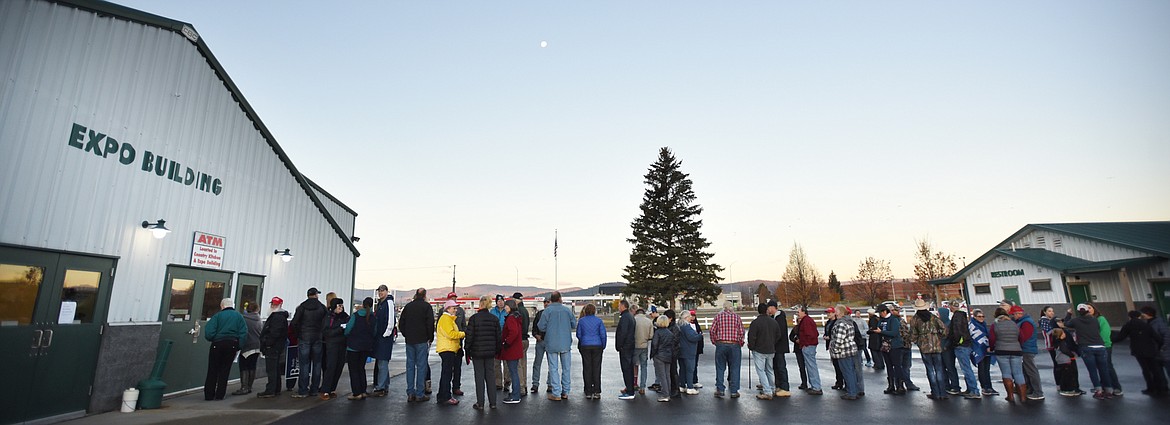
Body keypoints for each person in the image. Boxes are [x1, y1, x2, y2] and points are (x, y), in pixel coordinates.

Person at [1060, 303, 1116, 399]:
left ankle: (1098, 391)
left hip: (1086, 347)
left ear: (1078, 311)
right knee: (1104, 369)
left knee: (1092, 370)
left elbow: (1066, 323)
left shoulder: (1076, 321)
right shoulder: (1095, 320)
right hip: (1100, 346)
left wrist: (1069, 314)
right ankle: (1109, 390)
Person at [203, 298, 246, 401]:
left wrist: (213, 338)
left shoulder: (217, 316)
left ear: (222, 306)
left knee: (212, 370)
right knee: (225, 370)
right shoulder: (239, 317)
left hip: (217, 344)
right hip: (232, 344)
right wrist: (239, 346)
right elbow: (243, 333)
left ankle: (209, 395)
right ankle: (220, 394)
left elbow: (209, 332)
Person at [537, 291, 577, 401]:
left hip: (551, 342)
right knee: (566, 368)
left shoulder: (547, 311)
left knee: (553, 368)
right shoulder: (567, 310)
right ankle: (566, 391)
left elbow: (541, 326)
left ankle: (556, 392)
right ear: (560, 299)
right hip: (565, 342)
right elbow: (574, 324)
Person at [1115, 309, 1164, 395]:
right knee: (1155, 369)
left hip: (1138, 350)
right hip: (1150, 349)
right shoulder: (1146, 325)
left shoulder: (1128, 325)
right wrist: (1159, 347)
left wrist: (1109, 341)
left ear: (1129, 316)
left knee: (1146, 370)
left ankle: (1150, 388)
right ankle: (1160, 387)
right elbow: (1157, 338)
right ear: (1139, 316)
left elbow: (1120, 337)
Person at [466, 296, 502, 410]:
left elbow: (469, 336)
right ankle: (493, 402)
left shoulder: (474, 319)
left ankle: (480, 403)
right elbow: (498, 338)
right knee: (490, 377)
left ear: (480, 304)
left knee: (479, 377)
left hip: (477, 352)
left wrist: (467, 350)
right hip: (490, 352)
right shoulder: (494, 319)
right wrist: (497, 350)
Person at [289, 288, 327, 398]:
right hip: (318, 337)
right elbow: (326, 322)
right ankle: (314, 389)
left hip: (304, 337)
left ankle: (303, 390)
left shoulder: (302, 307)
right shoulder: (322, 307)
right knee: (317, 364)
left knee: (304, 365)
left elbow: (294, 323)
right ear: (316, 295)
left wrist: (299, 334)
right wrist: (321, 332)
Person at [400, 288, 436, 402]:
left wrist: (406, 334)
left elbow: (401, 323)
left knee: (410, 366)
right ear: (425, 296)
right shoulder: (427, 307)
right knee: (421, 366)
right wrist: (430, 337)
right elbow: (430, 324)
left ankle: (410, 392)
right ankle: (420, 393)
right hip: (422, 340)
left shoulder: (408, 306)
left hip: (410, 340)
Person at [910, 309, 949, 400]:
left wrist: (918, 341)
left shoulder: (915, 319)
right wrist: (938, 338)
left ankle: (935, 392)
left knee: (930, 370)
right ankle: (942, 393)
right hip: (936, 346)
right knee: (939, 370)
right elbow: (944, 330)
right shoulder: (933, 318)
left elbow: (913, 334)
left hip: (924, 347)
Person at [709, 301, 745, 398]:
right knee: (735, 368)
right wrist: (740, 342)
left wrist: (714, 341)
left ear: (724, 307)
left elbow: (712, 330)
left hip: (721, 343)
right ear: (731, 307)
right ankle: (734, 390)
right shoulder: (737, 317)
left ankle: (720, 389)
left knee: (720, 367)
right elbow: (741, 332)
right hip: (734, 344)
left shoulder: (718, 317)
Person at [989, 307, 1026, 402]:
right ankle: (1023, 397)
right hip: (1016, 350)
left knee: (1006, 373)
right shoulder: (1014, 324)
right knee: (1018, 373)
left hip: (1001, 351)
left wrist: (992, 348)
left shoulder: (995, 325)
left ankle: (1010, 396)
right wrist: (1018, 345)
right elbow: (1021, 337)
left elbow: (992, 339)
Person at [344, 297, 376, 400]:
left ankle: (356, 392)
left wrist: (346, 334)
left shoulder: (356, 315)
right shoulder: (373, 317)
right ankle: (363, 390)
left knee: (353, 370)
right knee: (361, 368)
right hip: (366, 346)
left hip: (353, 346)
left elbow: (348, 329)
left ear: (363, 304)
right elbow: (375, 332)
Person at [257, 297, 289, 398]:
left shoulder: (277, 317)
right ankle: (276, 389)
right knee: (275, 368)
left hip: (273, 346)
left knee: (271, 369)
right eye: (272, 304)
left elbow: (274, 333)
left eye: (274, 304)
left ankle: (271, 389)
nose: (272, 306)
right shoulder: (279, 316)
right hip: (276, 346)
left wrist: (268, 343)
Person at [748, 302, 782, 400]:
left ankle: (767, 391)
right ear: (766, 310)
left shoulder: (755, 323)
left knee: (761, 371)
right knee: (769, 370)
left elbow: (752, 336)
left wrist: (752, 346)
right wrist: (772, 342)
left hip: (759, 350)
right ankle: (772, 388)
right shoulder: (773, 322)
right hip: (770, 349)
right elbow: (778, 335)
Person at [435, 299, 465, 406]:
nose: (456, 310)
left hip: (449, 348)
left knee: (446, 373)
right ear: (448, 308)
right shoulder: (446, 319)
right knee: (447, 374)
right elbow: (451, 334)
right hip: (447, 349)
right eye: (454, 308)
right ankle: (445, 396)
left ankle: (442, 395)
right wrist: (463, 334)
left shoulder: (448, 319)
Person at [870, 303, 906, 395]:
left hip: (895, 346)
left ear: (885, 311)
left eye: (880, 312)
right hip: (885, 346)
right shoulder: (881, 321)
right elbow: (878, 329)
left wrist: (881, 331)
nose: (879, 314)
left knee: (897, 366)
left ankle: (900, 386)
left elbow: (894, 332)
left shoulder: (893, 320)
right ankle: (891, 385)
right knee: (889, 366)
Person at [1011, 305, 1044, 400]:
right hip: (1026, 349)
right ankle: (1030, 389)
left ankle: (1038, 392)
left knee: (1031, 371)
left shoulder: (1026, 323)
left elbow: (1024, 336)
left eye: (1013, 315)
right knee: (1026, 370)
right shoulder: (1024, 321)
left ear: (1018, 313)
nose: (1013, 317)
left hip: (1027, 349)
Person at [319, 298, 349, 400]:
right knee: (331, 366)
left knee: (339, 367)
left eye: (341, 305)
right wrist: (340, 329)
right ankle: (325, 389)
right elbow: (326, 332)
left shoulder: (345, 316)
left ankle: (332, 389)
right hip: (332, 344)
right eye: (338, 306)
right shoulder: (329, 317)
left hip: (342, 344)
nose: (340, 307)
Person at [829, 304, 861, 400]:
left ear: (840, 312)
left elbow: (839, 339)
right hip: (850, 349)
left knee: (847, 372)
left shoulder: (841, 323)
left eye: (836, 311)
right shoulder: (849, 322)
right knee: (851, 371)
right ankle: (854, 390)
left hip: (843, 351)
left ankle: (851, 392)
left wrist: (834, 349)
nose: (835, 313)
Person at [576, 303, 607, 399]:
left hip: (585, 345)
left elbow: (578, 334)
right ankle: (597, 390)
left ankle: (588, 390)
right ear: (594, 311)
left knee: (587, 368)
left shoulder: (581, 321)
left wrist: (583, 340)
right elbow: (603, 334)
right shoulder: (599, 321)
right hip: (597, 345)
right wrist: (603, 345)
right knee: (597, 368)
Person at [949, 308, 981, 398]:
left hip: (961, 347)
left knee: (966, 369)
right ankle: (970, 389)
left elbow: (956, 333)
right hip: (967, 345)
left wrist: (956, 342)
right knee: (967, 368)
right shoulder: (965, 320)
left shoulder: (956, 319)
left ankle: (974, 390)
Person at [371, 285, 397, 397]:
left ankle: (380, 387)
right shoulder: (380, 304)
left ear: (387, 291)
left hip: (384, 337)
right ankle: (384, 385)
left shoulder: (388, 303)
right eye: (379, 291)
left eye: (382, 291)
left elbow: (391, 320)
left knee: (382, 362)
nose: (380, 293)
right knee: (382, 362)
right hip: (380, 337)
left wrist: (386, 333)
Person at [232, 303, 262, 396]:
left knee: (244, 366)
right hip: (257, 345)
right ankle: (249, 386)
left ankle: (244, 387)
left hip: (247, 346)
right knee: (252, 366)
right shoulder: (259, 319)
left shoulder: (243, 319)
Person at [1093, 305, 1123, 396]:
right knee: (1100, 367)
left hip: (1104, 346)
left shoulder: (1101, 319)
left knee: (1107, 366)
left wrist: (1102, 344)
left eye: (1090, 308)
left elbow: (1105, 332)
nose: (1088, 310)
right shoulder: (1087, 320)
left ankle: (1116, 387)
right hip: (1093, 346)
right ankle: (1105, 386)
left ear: (1094, 309)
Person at [1141, 306, 1170, 396]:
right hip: (1155, 352)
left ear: (1148, 314)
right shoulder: (1150, 323)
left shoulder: (1158, 323)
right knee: (1158, 371)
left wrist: (1163, 348)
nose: (1142, 315)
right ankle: (1163, 387)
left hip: (1163, 352)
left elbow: (1167, 336)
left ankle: (1163, 387)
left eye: (1143, 313)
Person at [499, 299, 524, 404]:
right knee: (514, 371)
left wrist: (506, 342)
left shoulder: (510, 318)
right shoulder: (516, 317)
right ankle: (516, 393)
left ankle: (515, 395)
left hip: (511, 349)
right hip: (516, 348)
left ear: (510, 307)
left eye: (506, 306)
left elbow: (513, 332)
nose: (505, 307)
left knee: (513, 372)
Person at [970, 308, 999, 396]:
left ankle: (989, 386)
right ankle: (984, 387)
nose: (981, 318)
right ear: (974, 317)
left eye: (983, 316)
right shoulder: (972, 325)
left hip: (987, 348)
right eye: (979, 316)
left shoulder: (984, 324)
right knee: (982, 369)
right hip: (979, 349)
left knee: (987, 369)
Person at [796, 305, 823, 395]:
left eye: (798, 312)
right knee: (810, 366)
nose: (797, 314)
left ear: (804, 312)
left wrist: (804, 343)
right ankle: (814, 385)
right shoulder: (807, 320)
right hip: (809, 345)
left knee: (811, 366)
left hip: (808, 346)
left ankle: (816, 387)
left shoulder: (806, 321)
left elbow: (810, 334)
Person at [446, 292, 468, 397]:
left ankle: (456, 387)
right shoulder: (443, 312)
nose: (454, 299)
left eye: (455, 298)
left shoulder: (460, 311)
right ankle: (446, 388)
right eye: (452, 298)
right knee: (448, 367)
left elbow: (463, 325)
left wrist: (463, 335)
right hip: (448, 342)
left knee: (457, 366)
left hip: (458, 341)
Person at [615, 300, 638, 399]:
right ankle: (630, 389)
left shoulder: (625, 317)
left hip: (625, 347)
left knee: (627, 369)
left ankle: (629, 392)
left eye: (619, 305)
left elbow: (623, 333)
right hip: (630, 346)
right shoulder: (630, 316)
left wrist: (619, 345)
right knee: (629, 368)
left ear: (623, 306)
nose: (618, 307)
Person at [651, 315, 676, 402]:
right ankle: (667, 392)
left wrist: (653, 354)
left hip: (659, 355)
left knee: (662, 375)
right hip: (668, 355)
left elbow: (654, 345)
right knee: (667, 375)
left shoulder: (658, 332)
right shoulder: (670, 333)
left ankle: (665, 394)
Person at [769, 301, 792, 397]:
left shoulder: (780, 318)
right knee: (776, 367)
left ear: (773, 307)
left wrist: (773, 341)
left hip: (779, 346)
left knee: (781, 366)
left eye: (769, 308)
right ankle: (778, 385)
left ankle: (785, 387)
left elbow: (780, 333)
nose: (768, 310)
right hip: (775, 347)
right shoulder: (774, 318)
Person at [1049, 328, 1081, 397]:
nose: (1064, 334)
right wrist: (1072, 355)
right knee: (1068, 375)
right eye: (1063, 333)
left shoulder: (1056, 342)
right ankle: (1069, 389)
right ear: (1059, 335)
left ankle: (1065, 388)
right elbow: (1064, 350)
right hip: (1065, 360)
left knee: (1064, 374)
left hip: (1061, 361)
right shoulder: (1061, 342)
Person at [678, 310, 702, 395]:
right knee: (689, 369)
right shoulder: (686, 326)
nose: (690, 318)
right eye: (689, 316)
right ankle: (690, 387)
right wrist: (699, 335)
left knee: (682, 369)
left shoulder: (679, 325)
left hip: (681, 350)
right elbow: (692, 337)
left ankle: (682, 385)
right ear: (686, 318)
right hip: (689, 350)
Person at [489, 294, 510, 392]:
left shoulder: (507, 311)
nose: (500, 302)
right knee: (496, 362)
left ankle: (507, 382)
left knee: (506, 362)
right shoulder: (492, 312)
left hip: (505, 338)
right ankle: (498, 382)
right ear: (496, 302)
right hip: (495, 339)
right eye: (498, 301)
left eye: (502, 300)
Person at [530, 299, 552, 394]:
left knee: (552, 364)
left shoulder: (553, 314)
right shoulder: (539, 314)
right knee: (537, 363)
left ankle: (550, 384)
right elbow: (534, 327)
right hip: (540, 341)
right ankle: (535, 384)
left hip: (550, 341)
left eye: (548, 302)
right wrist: (536, 335)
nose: (546, 304)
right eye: (545, 302)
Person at [511, 293, 530, 396]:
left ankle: (521, 387)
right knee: (523, 364)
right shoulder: (525, 310)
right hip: (525, 339)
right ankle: (525, 385)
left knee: (518, 365)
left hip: (519, 340)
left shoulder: (518, 311)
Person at [633, 307, 654, 395]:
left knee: (634, 365)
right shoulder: (649, 321)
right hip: (644, 345)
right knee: (644, 366)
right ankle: (642, 387)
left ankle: (633, 384)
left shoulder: (633, 320)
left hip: (634, 345)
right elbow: (651, 336)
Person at [823, 307, 844, 391]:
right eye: (827, 313)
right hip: (830, 345)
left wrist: (830, 337)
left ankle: (841, 382)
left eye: (830, 313)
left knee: (840, 365)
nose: (828, 314)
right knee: (835, 364)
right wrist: (825, 335)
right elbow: (827, 331)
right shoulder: (828, 322)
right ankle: (838, 381)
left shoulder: (836, 322)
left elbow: (836, 333)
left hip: (836, 345)